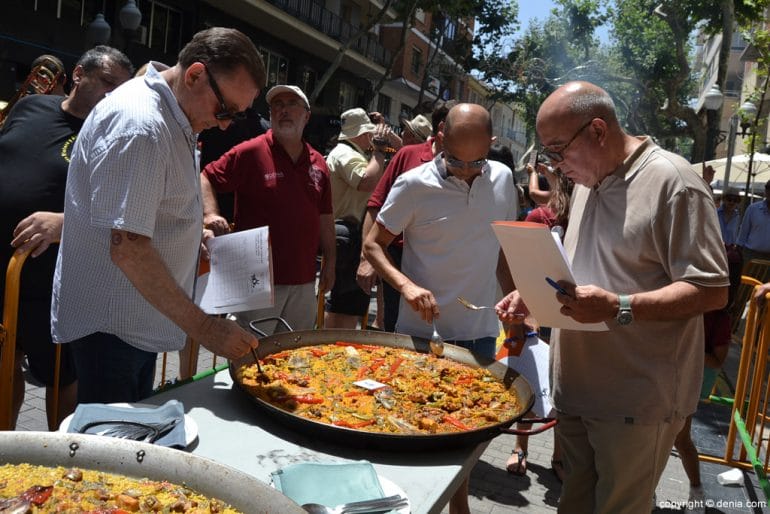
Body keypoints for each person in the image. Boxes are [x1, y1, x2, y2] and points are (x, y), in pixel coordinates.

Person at [497, 81, 728, 514]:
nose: (554, 165)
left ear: (598, 131)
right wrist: (534, 293)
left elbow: (711, 290)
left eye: (558, 150)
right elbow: (588, 268)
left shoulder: (674, 182)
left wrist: (620, 306)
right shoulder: (588, 181)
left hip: (635, 401)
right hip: (578, 392)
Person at [51, 27, 264, 404]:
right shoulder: (143, 126)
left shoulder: (172, 110)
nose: (227, 123)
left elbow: (153, 204)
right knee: (111, 454)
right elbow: (128, 249)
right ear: (195, 74)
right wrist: (208, 331)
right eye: (226, 109)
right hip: (114, 330)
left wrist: (188, 230)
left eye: (238, 115)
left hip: (133, 324)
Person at [363, 103, 517, 514]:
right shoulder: (413, 184)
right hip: (420, 330)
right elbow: (373, 244)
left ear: (492, 145)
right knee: (411, 424)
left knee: (466, 429)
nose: (466, 170)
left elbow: (503, 252)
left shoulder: (503, 180)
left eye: (477, 161)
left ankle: (456, 506)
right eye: (456, 161)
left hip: (481, 328)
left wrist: (517, 307)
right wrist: (406, 285)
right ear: (440, 139)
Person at [0, 46, 133, 429]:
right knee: (4, 369)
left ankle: (60, 460)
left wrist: (64, 222)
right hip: (5, 269)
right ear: (78, 75)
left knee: (62, 377)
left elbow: (118, 213)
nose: (112, 94)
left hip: (51, 278)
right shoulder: (31, 107)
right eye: (107, 82)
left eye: (120, 89)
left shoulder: (113, 138)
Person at [201, 84, 335, 333]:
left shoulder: (318, 162)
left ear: (306, 116)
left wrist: (332, 260)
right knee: (251, 354)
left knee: (295, 357)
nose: (283, 110)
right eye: (277, 105)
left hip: (304, 279)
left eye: (291, 104)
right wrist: (210, 214)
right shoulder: (251, 151)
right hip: (256, 279)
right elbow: (206, 176)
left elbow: (325, 216)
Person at [356, 100, 456, 332]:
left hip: (441, 262)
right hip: (397, 257)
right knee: (394, 327)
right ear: (443, 128)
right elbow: (375, 205)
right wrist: (366, 258)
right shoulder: (407, 156)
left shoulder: (472, 166)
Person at [506, 163, 572, 480]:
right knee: (528, 378)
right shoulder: (536, 217)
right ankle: (521, 448)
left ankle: (559, 457)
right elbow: (523, 271)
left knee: (564, 387)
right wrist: (521, 322)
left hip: (572, 318)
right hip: (535, 314)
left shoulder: (586, 224)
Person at [324, 108, 390, 328]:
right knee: (347, 305)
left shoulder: (348, 152)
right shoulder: (346, 153)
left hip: (351, 232)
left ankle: (337, 345)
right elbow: (366, 180)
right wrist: (379, 152)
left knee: (349, 304)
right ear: (362, 134)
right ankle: (337, 348)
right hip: (348, 233)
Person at [673, 307, 730, 512]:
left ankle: (696, 490)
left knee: (680, 438)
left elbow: (717, 360)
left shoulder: (718, 319)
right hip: (664, 377)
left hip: (687, 383)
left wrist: (686, 348)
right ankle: (647, 491)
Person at [717, 189, 743, 309]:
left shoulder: (738, 216)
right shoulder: (715, 213)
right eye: (729, 199)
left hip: (730, 254)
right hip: (716, 251)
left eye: (735, 200)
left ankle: (726, 306)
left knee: (729, 282)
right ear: (724, 199)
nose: (732, 202)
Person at [736, 180, 770, 263]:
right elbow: (743, 232)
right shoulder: (753, 209)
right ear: (765, 191)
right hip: (751, 255)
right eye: (768, 188)